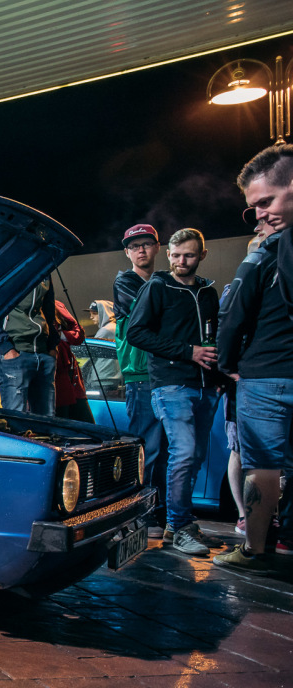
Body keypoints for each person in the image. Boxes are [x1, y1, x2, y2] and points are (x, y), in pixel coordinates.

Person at [214, 144, 293, 573]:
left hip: (263, 376)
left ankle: (255, 548)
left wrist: (227, 363)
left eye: (266, 202)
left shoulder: (264, 253)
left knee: (261, 466)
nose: (260, 214)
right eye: (254, 207)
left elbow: (233, 314)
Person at [126, 227, 225, 556]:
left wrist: (221, 374)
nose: (182, 261)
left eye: (190, 255)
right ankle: (180, 525)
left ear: (202, 256)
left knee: (194, 456)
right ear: (167, 255)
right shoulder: (157, 286)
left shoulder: (208, 292)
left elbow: (218, 336)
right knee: (182, 453)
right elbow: (136, 333)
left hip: (207, 386)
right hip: (171, 383)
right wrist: (188, 351)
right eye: (177, 255)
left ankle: (178, 525)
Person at [114, 224, 168, 536]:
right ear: (127, 252)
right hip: (140, 375)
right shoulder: (126, 281)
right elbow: (150, 317)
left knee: (165, 450)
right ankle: (142, 515)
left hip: (163, 373)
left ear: (157, 247)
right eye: (135, 246)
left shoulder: (161, 281)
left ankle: (159, 515)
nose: (141, 250)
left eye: (147, 244)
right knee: (148, 450)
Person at [0, 279, 59, 415]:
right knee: (17, 422)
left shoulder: (45, 269)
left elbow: (49, 309)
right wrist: (6, 348)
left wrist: (52, 346)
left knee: (47, 423)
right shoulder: (2, 264)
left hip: (43, 354)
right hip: (14, 353)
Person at [53, 301, 94, 423]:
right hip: (58, 383)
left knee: (85, 428)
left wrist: (61, 335)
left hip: (70, 382)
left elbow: (78, 334)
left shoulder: (56, 305)